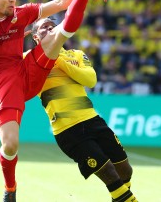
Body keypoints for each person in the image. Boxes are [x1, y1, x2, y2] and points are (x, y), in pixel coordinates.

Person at [0, 0, 109, 201]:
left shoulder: (21, 13)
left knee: (55, 36)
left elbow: (58, 3)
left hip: (23, 69)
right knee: (10, 144)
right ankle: (10, 188)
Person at [30, 23, 138, 201]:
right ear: (36, 37)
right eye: (44, 27)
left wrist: (59, 61)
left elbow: (90, 79)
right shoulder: (30, 59)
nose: (50, 28)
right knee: (109, 173)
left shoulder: (76, 55)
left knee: (125, 170)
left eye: (53, 25)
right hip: (68, 129)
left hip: (92, 120)